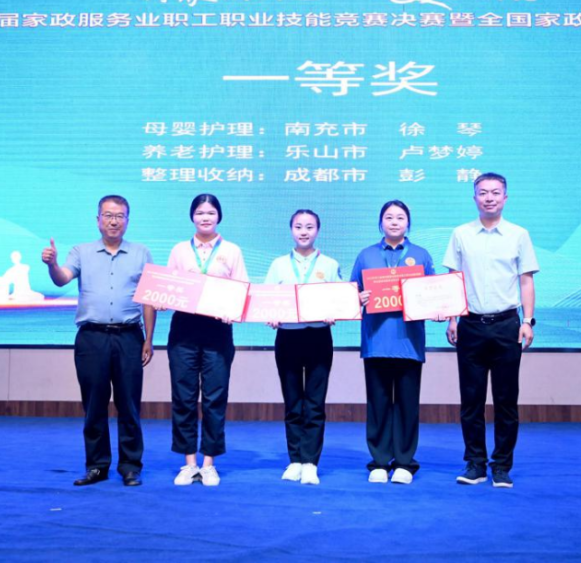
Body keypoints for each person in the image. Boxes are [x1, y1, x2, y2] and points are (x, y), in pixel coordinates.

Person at [41, 195, 155, 488]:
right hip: (92, 338)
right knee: (94, 405)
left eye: (120, 216)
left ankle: (130, 467)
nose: (114, 221)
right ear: (98, 220)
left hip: (129, 336)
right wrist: (52, 264)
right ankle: (97, 466)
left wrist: (149, 339)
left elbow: (149, 299)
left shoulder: (141, 253)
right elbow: (62, 278)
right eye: (108, 215)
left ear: (127, 220)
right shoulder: (81, 252)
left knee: (129, 405)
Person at [443, 173, 538, 489]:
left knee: (506, 400)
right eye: (483, 192)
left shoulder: (519, 235)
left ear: (505, 198)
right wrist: (452, 319)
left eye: (495, 193)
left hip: (507, 325)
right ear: (474, 198)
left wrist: (528, 321)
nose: (489, 198)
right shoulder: (460, 234)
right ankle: (475, 464)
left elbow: (526, 280)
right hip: (470, 325)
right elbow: (453, 279)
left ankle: (501, 466)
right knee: (471, 400)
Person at [164, 193, 249, 487]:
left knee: (215, 397)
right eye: (200, 212)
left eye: (211, 212)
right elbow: (168, 286)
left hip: (217, 329)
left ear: (219, 216)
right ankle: (189, 463)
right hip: (184, 328)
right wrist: (161, 299)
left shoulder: (232, 251)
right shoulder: (179, 250)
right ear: (192, 216)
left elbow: (242, 289)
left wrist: (232, 310)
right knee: (183, 396)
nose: (205, 217)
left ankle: (209, 463)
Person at [351, 200, 434, 485]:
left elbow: (434, 294)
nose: (395, 222)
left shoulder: (421, 255)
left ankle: (404, 463)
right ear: (380, 223)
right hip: (376, 341)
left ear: (408, 223)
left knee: (407, 406)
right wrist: (358, 298)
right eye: (389, 217)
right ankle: (378, 461)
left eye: (400, 217)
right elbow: (350, 294)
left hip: (409, 342)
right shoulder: (366, 255)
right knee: (378, 404)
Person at [264, 209, 342, 486]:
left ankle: (310, 462)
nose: (304, 231)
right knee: (293, 401)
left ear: (318, 230)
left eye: (309, 226)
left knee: (315, 402)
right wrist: (271, 315)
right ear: (291, 230)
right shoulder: (278, 265)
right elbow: (267, 299)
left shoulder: (330, 264)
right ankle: (295, 460)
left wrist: (335, 311)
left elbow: (340, 298)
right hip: (288, 337)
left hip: (319, 336)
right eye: (298, 226)